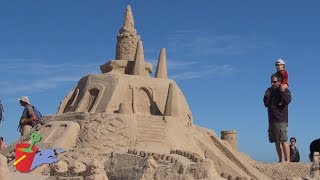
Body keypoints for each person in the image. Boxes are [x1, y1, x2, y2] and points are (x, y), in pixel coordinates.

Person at [263, 74, 292, 162]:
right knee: (276, 141)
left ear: (279, 82)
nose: (272, 83)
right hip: (272, 120)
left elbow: (287, 100)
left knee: (283, 140)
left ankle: (287, 161)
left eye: (274, 82)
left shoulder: (284, 89)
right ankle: (281, 160)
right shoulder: (270, 91)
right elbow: (266, 104)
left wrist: (282, 91)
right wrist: (265, 95)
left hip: (280, 119)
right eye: (271, 81)